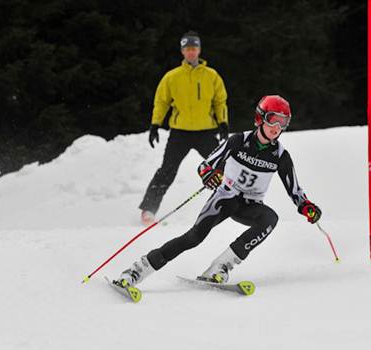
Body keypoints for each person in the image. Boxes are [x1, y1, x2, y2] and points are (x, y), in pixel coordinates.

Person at [114, 95, 322, 289]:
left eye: (283, 122)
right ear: (260, 118)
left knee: (270, 219)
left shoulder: (280, 155)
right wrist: (208, 175)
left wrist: (306, 207)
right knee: (193, 238)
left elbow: (294, 190)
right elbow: (205, 166)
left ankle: (220, 267)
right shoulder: (238, 141)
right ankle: (137, 271)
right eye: (273, 119)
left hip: (250, 206)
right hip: (225, 198)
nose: (277, 127)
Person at [139, 30, 229, 225]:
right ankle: (148, 210)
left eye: (194, 48)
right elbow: (161, 102)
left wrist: (223, 123)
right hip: (180, 133)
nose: (191, 52)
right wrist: (155, 124)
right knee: (167, 170)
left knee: (223, 166)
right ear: (182, 51)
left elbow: (220, 101)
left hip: (206, 131)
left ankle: (235, 205)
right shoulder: (172, 77)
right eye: (187, 48)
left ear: (199, 50)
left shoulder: (211, 76)